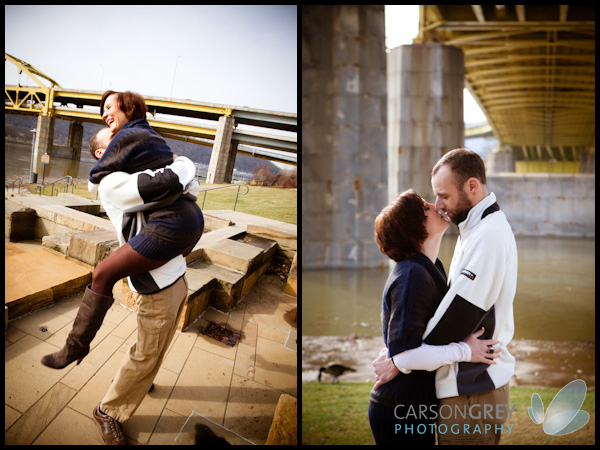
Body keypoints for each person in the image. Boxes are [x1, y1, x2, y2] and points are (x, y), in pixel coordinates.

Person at [41, 90, 204, 445]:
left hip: (176, 276)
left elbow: (190, 184)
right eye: (112, 138)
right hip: (157, 284)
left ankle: (141, 378)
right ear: (102, 153)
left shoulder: (137, 164)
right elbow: (175, 179)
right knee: (145, 352)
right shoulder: (112, 183)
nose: (120, 138)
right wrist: (184, 164)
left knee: (156, 349)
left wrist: (183, 170)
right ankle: (108, 411)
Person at [372, 148, 518, 445]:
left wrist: (398, 359)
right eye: (431, 201)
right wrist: (398, 352)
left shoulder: (486, 235)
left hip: (472, 389)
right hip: (449, 393)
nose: (438, 205)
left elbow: (453, 322)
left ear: (472, 186)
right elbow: (424, 323)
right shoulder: (468, 234)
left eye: (443, 196)